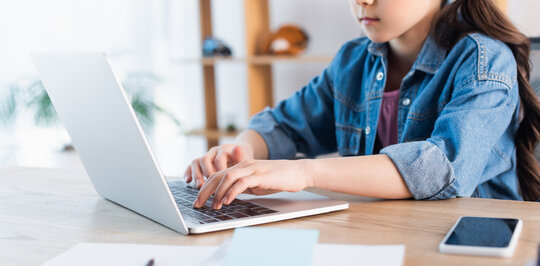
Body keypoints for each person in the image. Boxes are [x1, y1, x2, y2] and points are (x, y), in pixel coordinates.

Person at [185, 0, 540, 210]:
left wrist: (304, 173)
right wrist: (241, 151)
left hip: (471, 246)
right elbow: (284, 125)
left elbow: (442, 168)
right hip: (387, 237)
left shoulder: (484, 60)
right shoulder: (353, 60)